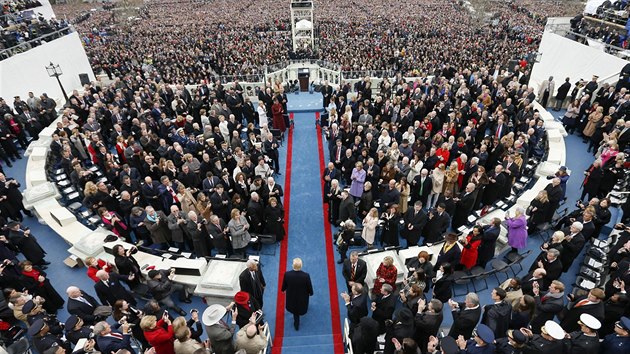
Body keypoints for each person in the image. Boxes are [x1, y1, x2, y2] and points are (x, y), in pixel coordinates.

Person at [281, 258, 313, 330]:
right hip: (303, 296)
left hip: (291, 295)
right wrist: (311, 293)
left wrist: (283, 290)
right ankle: (297, 322)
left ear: (293, 265)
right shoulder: (306, 276)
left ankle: (296, 324)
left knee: (294, 309)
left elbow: (284, 284)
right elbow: (309, 286)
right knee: (300, 306)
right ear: (301, 266)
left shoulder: (287, 274)